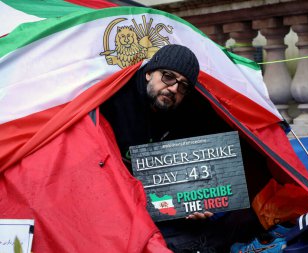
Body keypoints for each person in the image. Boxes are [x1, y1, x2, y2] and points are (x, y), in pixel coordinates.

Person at [100, 44, 263, 252]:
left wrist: (197, 203)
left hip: (161, 208)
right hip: (117, 203)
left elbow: (198, 176)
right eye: (168, 77)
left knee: (245, 220)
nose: (174, 88)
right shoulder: (115, 101)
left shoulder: (188, 113)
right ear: (149, 73)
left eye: (183, 86)